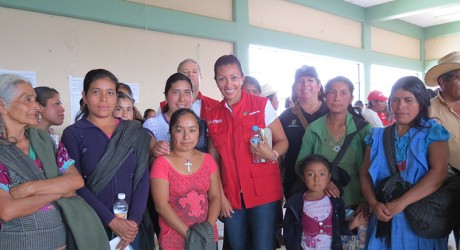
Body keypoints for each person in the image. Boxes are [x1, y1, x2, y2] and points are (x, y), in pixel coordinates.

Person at [0, 74, 108, 249]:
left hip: (59, 242)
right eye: (28, 100)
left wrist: (30, 188)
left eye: (35, 100)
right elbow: (7, 210)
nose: (36, 106)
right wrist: (59, 191)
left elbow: (75, 180)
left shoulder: (44, 141)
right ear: (2, 105)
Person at [62, 69, 153, 250]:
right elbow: (75, 184)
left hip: (130, 227)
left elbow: (142, 179)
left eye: (110, 92)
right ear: (85, 96)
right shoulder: (74, 134)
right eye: (96, 92)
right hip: (90, 223)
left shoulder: (133, 132)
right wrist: (111, 221)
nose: (104, 99)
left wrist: (133, 223)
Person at [206, 55, 289, 250]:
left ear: (242, 79)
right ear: (216, 81)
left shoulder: (261, 105)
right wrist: (220, 196)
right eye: (222, 78)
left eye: (234, 77)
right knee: (236, 246)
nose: (229, 84)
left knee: (263, 246)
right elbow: (213, 160)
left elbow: (283, 141)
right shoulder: (213, 114)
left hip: (264, 193)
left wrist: (273, 154)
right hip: (231, 196)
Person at [359, 76, 449, 249]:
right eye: (395, 100)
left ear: (421, 102)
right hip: (384, 218)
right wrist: (374, 204)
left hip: (421, 219)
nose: (401, 106)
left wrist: (402, 202)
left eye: (408, 100)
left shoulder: (434, 132)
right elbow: (364, 174)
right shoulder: (377, 136)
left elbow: (439, 173)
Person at [295, 76, 371, 209]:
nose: (337, 98)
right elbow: (301, 165)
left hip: (357, 202)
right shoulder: (314, 129)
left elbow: (372, 169)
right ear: (325, 96)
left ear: (351, 98)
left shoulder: (364, 129)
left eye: (343, 93)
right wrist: (325, 181)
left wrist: (367, 200)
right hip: (321, 203)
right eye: (332, 92)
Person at [151, 108, 221, 250]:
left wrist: (207, 228)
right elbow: (161, 205)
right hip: (174, 238)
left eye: (192, 130)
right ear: (171, 132)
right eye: (179, 130)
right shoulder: (162, 163)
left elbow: (215, 196)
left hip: (206, 237)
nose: (186, 137)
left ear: (199, 133)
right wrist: (190, 234)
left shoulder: (208, 160)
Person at [283, 155, 367, 250]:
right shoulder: (294, 204)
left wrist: (353, 224)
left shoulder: (336, 203)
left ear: (328, 177)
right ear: (303, 178)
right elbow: (289, 234)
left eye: (322, 174)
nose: (316, 179)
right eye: (310, 174)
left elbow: (339, 228)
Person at [425, 51, 460, 246]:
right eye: (458, 78)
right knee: (442, 231)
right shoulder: (428, 111)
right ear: (442, 82)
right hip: (443, 184)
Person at [279, 65, 328, 199]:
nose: (305, 84)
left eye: (310, 80)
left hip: (328, 184)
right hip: (295, 183)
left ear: (319, 86)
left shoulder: (332, 113)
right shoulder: (285, 117)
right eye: (300, 81)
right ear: (295, 88)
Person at [144, 73, 209, 155]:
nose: (182, 99)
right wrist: (156, 151)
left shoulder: (201, 125)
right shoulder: (152, 125)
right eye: (176, 92)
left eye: (187, 92)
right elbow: (146, 161)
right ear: (166, 96)